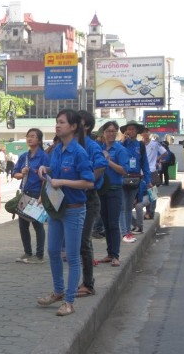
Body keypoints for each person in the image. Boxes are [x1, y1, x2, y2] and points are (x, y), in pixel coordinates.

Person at [37, 109, 94, 316]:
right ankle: (58, 291)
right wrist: (46, 169)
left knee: (72, 256)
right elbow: (56, 172)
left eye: (61, 122)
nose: (57, 125)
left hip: (74, 211)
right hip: (56, 210)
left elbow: (88, 182)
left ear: (73, 127)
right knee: (52, 251)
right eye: (56, 122)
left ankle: (69, 301)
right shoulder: (58, 150)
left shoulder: (79, 152)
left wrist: (64, 182)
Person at [75, 110, 108, 298]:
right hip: (73, 200)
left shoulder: (91, 145)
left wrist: (87, 183)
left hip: (88, 199)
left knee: (84, 241)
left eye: (75, 121)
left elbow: (101, 165)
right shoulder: (70, 145)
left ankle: (88, 284)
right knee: (75, 243)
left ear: (86, 126)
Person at [13, 128, 50, 264]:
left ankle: (39, 255)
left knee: (37, 224)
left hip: (36, 194)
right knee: (23, 225)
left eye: (33, 136)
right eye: (28, 136)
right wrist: (22, 173)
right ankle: (27, 252)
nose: (29, 139)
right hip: (25, 194)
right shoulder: (24, 156)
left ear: (39, 140)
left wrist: (42, 196)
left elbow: (47, 179)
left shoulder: (44, 157)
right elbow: (15, 174)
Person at [98, 121, 130, 267]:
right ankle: (109, 253)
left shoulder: (120, 150)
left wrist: (108, 161)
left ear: (116, 133)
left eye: (113, 131)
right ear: (103, 133)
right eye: (108, 131)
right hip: (101, 189)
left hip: (115, 189)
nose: (110, 133)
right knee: (105, 223)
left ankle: (115, 255)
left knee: (113, 224)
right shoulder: (100, 148)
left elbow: (124, 170)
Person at [119, 120, 151, 243]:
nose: (131, 131)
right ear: (126, 131)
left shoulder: (140, 145)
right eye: (129, 129)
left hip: (135, 179)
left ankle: (128, 232)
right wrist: (122, 142)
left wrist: (148, 180)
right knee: (122, 206)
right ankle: (124, 233)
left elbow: (145, 164)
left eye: (133, 129)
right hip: (122, 178)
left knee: (128, 207)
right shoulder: (121, 144)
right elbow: (115, 156)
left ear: (137, 131)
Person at [141, 127, 167, 220]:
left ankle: (150, 213)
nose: (145, 134)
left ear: (149, 133)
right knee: (145, 193)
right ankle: (147, 211)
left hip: (152, 171)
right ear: (141, 134)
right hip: (141, 172)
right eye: (143, 132)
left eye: (146, 132)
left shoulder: (155, 144)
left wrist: (157, 159)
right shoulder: (140, 145)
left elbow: (164, 152)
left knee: (152, 193)